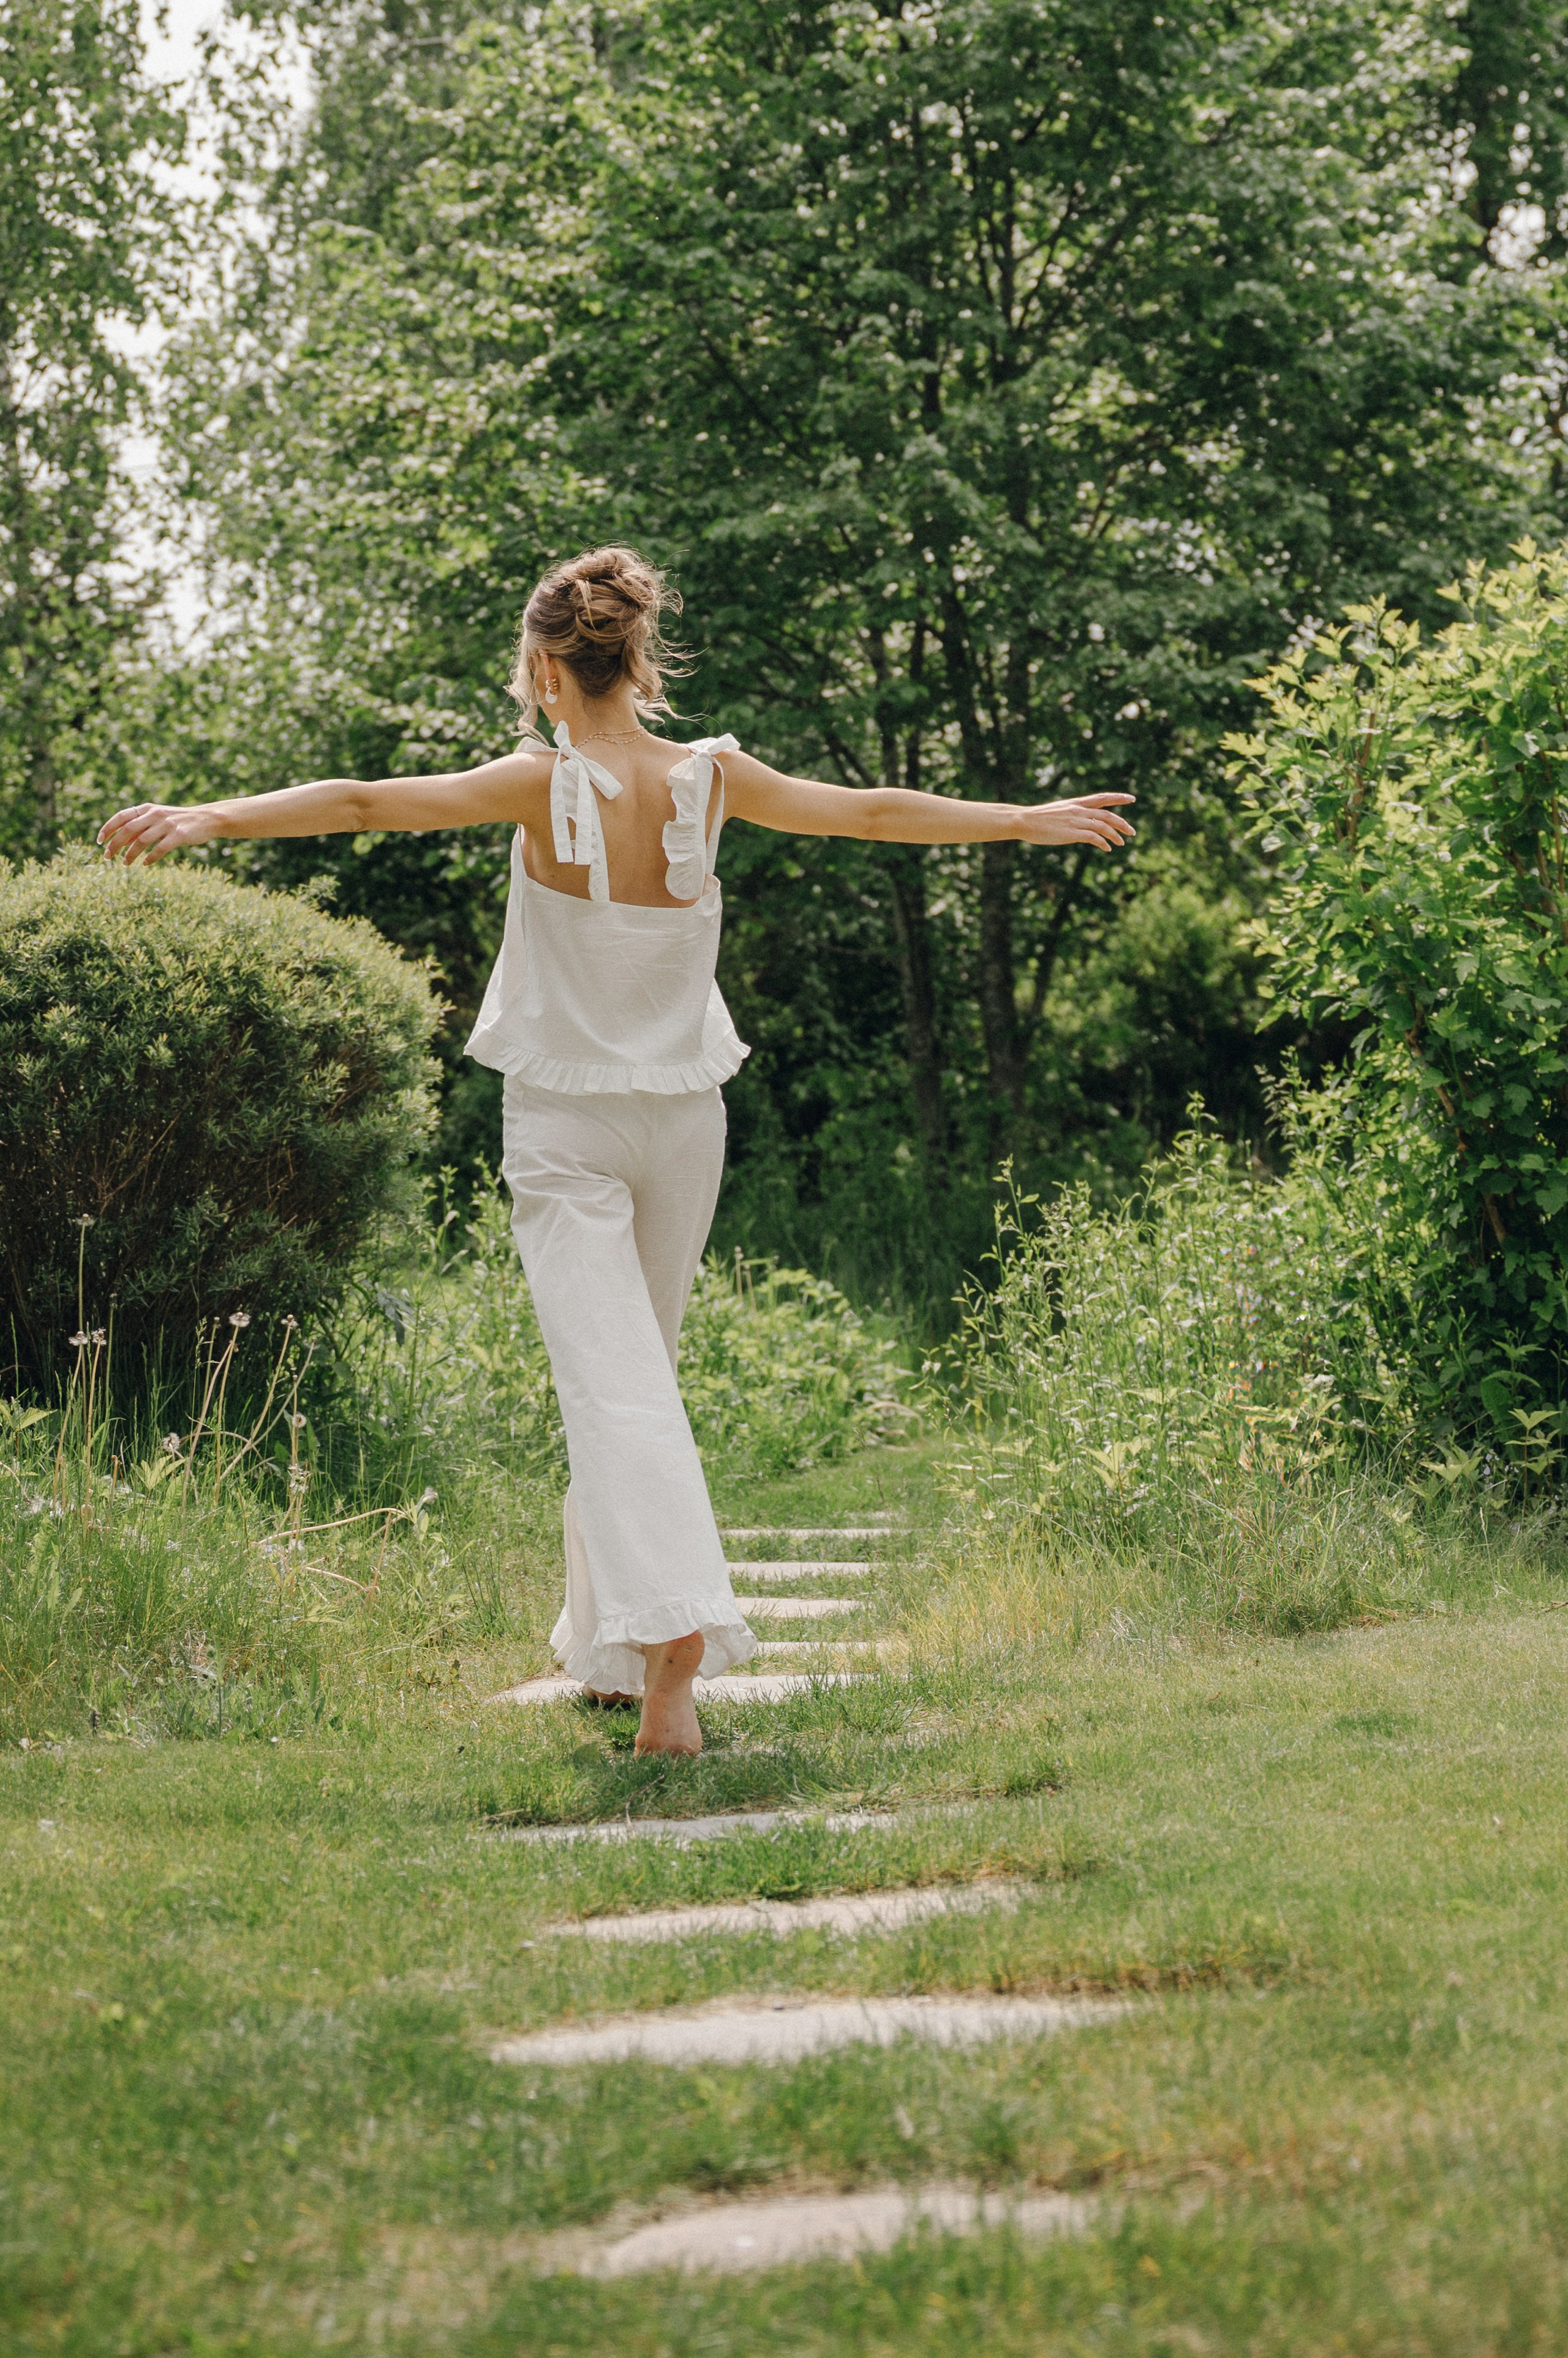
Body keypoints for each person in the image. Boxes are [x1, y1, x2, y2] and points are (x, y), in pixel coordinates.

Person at [98, 545, 1135, 1755]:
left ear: (543, 665)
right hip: (685, 1122)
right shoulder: (713, 774)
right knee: (633, 1383)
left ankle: (671, 1664)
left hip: (566, 1123)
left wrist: (209, 816)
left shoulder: (539, 780)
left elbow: (368, 800)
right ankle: (605, 1646)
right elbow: (864, 812)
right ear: (638, 658)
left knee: (614, 1388)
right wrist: (1017, 819)